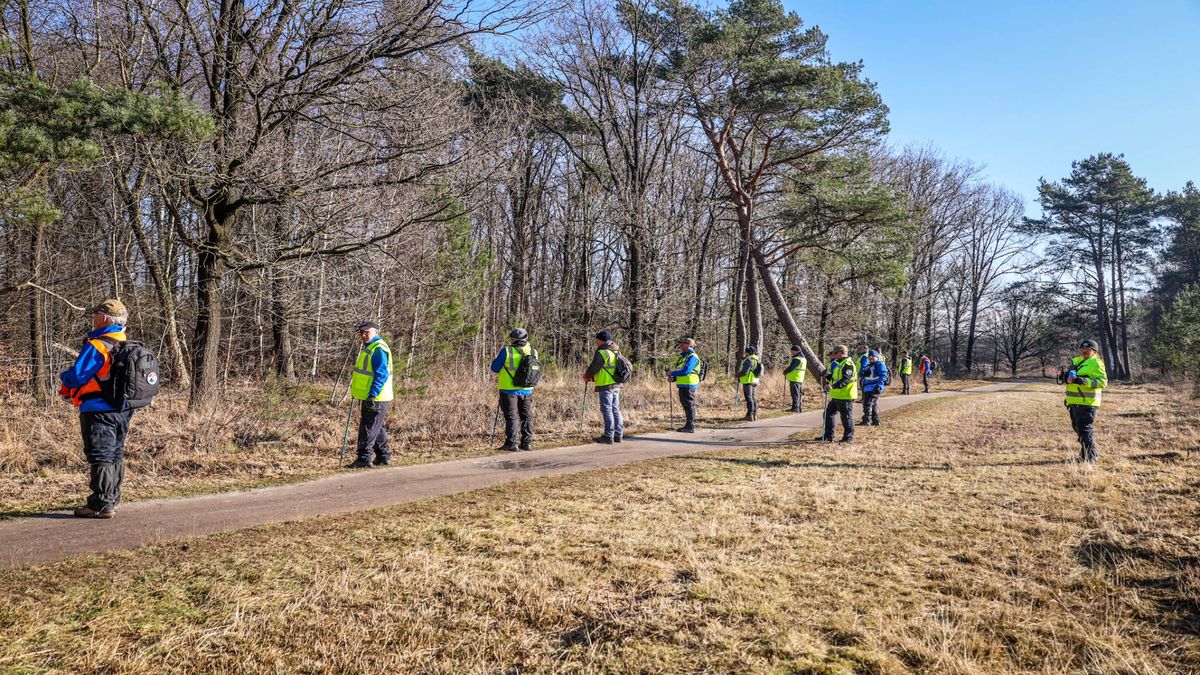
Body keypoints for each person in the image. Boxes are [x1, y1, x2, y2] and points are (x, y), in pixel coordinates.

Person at [58, 300, 135, 518]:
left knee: (100, 455)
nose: (93, 318)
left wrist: (64, 376)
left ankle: (100, 504)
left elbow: (77, 376)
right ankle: (112, 499)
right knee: (116, 452)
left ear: (105, 318)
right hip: (122, 409)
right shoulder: (124, 342)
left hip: (97, 408)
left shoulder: (98, 345)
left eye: (96, 314)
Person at [347, 321, 393, 468]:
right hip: (373, 395)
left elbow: (381, 374)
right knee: (377, 427)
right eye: (361, 332)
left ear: (376, 332)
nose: (363, 335)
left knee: (368, 427)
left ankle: (364, 458)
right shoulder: (371, 347)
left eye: (367, 332)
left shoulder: (378, 348)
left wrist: (373, 394)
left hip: (375, 397)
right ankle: (383, 456)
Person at [490, 328, 537, 451]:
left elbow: (494, 368)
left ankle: (511, 443)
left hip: (508, 389)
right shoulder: (533, 351)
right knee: (526, 416)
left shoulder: (506, 351)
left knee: (512, 417)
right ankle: (527, 443)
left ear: (512, 339)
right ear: (526, 338)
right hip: (527, 389)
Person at [1065, 339, 1108, 463]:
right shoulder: (1076, 361)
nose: (1084, 351)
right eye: (1082, 348)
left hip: (1088, 402)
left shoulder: (1096, 363)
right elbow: (1070, 377)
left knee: (1084, 429)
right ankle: (1087, 454)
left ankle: (1090, 457)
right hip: (1074, 402)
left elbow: (1103, 382)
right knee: (1078, 428)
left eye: (1088, 349)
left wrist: (1085, 381)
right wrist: (1064, 377)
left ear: (1094, 351)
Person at [584, 331, 624, 444]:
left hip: (605, 384)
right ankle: (618, 435)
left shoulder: (602, 352)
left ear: (601, 340)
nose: (595, 341)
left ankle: (608, 435)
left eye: (597, 339)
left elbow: (594, 368)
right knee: (615, 409)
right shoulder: (616, 351)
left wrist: (587, 376)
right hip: (616, 384)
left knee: (607, 410)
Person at [816, 345, 857, 444]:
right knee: (828, 413)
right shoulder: (839, 363)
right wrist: (827, 376)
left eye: (835, 353)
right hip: (837, 395)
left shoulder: (848, 364)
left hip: (846, 395)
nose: (833, 355)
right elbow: (834, 378)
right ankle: (828, 436)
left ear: (842, 353)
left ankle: (848, 438)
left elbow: (846, 380)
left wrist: (832, 386)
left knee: (846, 417)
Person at [668, 337, 701, 432]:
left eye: (683, 343)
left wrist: (672, 373)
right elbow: (683, 372)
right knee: (686, 405)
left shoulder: (692, 357)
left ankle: (690, 426)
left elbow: (686, 371)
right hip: (683, 384)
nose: (681, 345)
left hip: (689, 384)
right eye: (681, 343)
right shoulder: (685, 357)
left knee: (689, 404)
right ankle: (688, 425)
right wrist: (674, 378)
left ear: (689, 345)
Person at [859, 350, 889, 426]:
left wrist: (879, 385)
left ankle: (867, 421)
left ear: (877, 357)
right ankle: (876, 421)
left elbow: (884, 375)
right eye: (869, 356)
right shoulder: (868, 365)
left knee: (868, 403)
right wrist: (863, 373)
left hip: (875, 387)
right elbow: (861, 374)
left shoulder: (879, 364)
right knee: (873, 404)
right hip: (867, 388)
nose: (871, 357)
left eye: (873, 356)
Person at [736, 345, 761, 421]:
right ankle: (754, 414)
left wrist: (737, 375)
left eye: (745, 351)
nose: (744, 352)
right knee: (752, 398)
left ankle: (750, 415)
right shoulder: (756, 359)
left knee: (749, 398)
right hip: (754, 380)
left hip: (748, 380)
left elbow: (745, 372)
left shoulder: (749, 360)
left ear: (749, 352)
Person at [783, 344, 807, 412]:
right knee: (799, 394)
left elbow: (791, 368)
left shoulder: (796, 359)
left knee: (795, 394)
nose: (791, 353)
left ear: (796, 351)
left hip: (794, 378)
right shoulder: (803, 359)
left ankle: (795, 408)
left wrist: (785, 372)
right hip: (800, 378)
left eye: (792, 351)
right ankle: (799, 407)